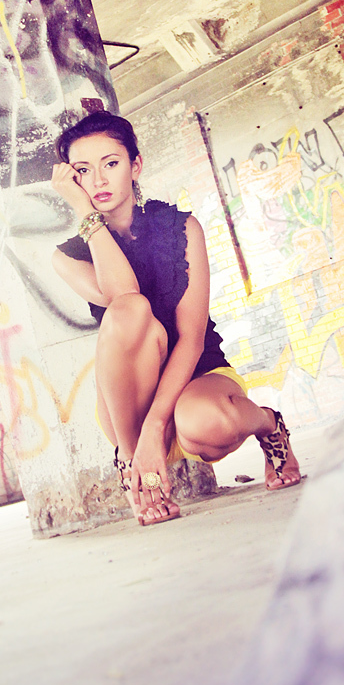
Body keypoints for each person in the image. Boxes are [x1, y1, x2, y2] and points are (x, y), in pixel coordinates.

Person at [51, 111, 300, 526]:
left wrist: (156, 428)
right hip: (128, 405)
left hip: (197, 377)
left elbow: (192, 337)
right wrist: (85, 215)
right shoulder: (68, 257)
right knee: (131, 309)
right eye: (82, 171)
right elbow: (123, 296)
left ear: (135, 166)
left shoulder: (181, 229)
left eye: (110, 163)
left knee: (207, 423)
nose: (98, 180)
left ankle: (268, 424)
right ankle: (135, 471)